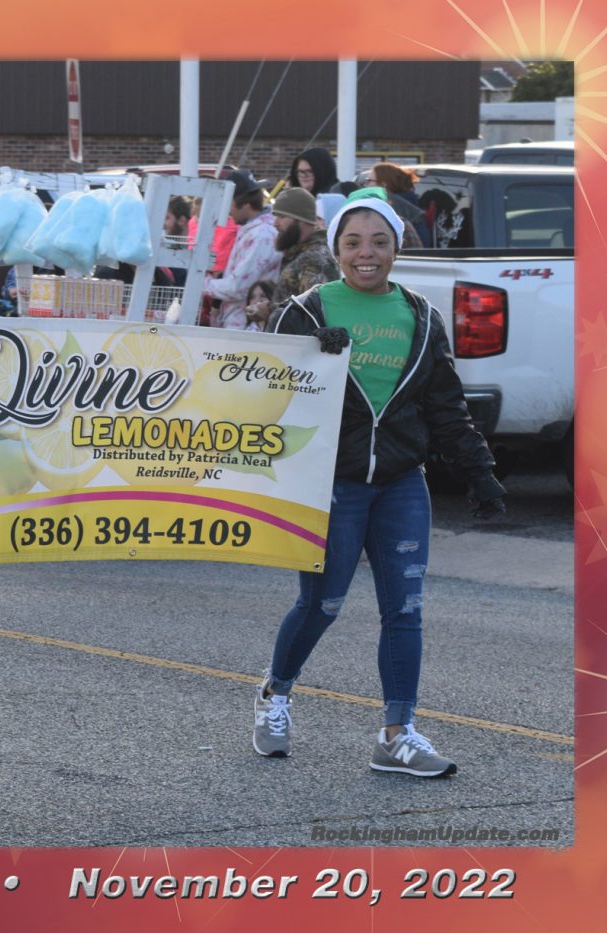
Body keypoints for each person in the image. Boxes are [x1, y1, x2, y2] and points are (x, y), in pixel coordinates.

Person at [255, 190, 506, 777]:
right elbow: (264, 392)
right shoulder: (307, 311)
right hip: (331, 485)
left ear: (397, 247)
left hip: (400, 484)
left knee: (406, 609)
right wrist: (317, 359)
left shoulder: (420, 315)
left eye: (379, 242)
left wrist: (481, 473)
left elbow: (446, 406)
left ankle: (397, 734)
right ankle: (275, 693)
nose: (366, 254)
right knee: (323, 604)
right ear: (337, 248)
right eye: (352, 242)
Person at [201, 170, 281, 329]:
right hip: (242, 324)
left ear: (245, 203)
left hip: (246, 328)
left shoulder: (261, 236)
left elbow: (237, 287)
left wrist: (201, 283)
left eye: (228, 203)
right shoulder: (253, 231)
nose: (228, 211)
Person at [271, 187, 340, 304]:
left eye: (282, 217)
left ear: (301, 219)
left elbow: (312, 309)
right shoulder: (301, 253)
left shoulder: (314, 260)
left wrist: (268, 311)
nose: (275, 223)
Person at [370, 162, 431, 248]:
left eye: (369, 181)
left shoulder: (393, 207)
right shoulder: (409, 204)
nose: (365, 186)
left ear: (383, 184)